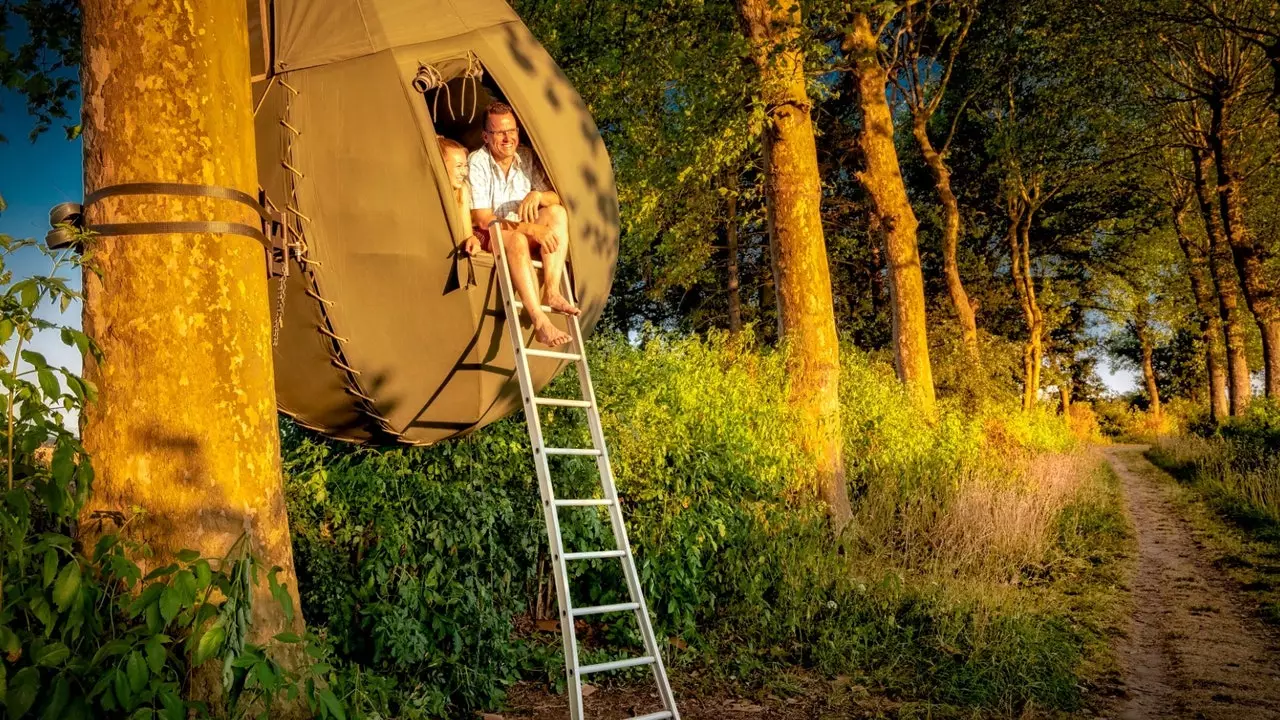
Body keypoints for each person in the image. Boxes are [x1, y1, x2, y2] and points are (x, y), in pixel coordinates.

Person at [468, 101, 577, 348]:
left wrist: (538, 196)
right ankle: (540, 322)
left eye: (512, 131)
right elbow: (483, 219)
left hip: (521, 227)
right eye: (499, 133)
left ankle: (552, 290)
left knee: (557, 212)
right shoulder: (478, 161)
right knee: (516, 239)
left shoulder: (526, 157)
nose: (508, 138)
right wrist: (529, 229)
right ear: (486, 136)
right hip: (491, 232)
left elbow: (555, 197)